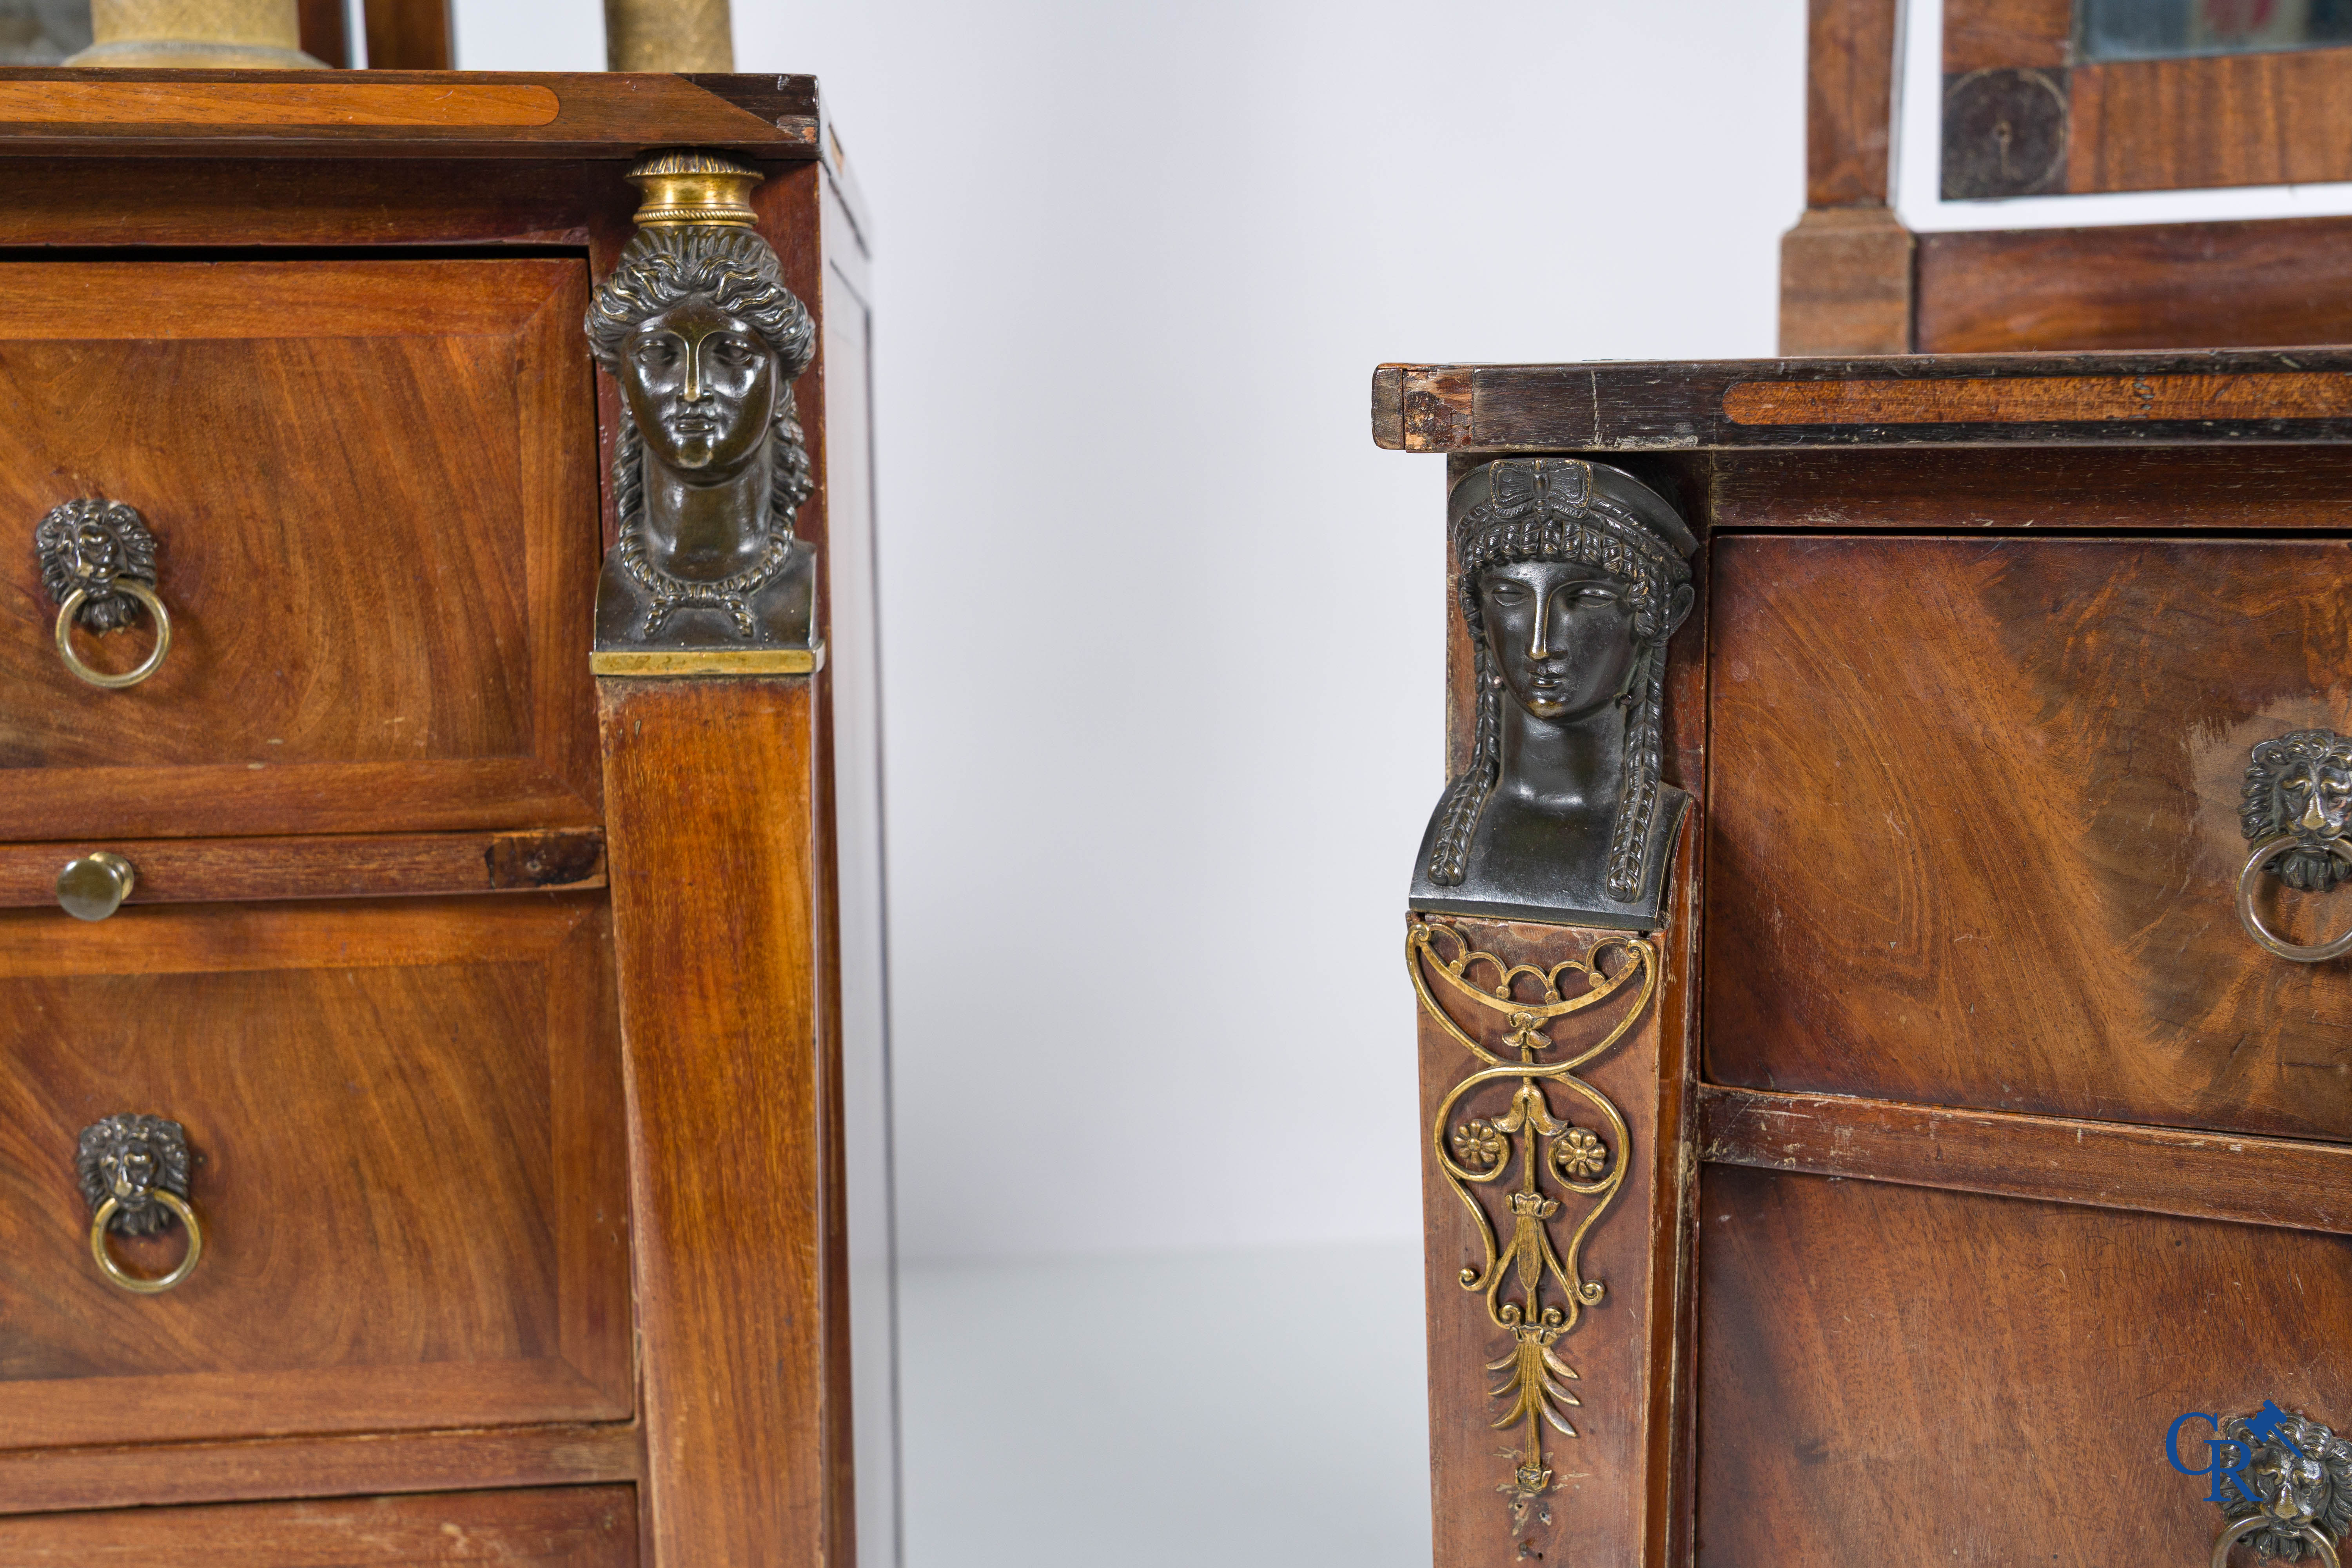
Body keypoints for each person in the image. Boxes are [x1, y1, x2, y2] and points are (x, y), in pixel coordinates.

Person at [1409, 457, 1698, 929]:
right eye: (1510, 596)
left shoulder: (1658, 832)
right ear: (1477, 611)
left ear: (1662, 614)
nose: (1540, 644)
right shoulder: (1451, 844)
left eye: (1587, 600)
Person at [583, 221, 818, 651]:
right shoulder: (619, 579)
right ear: (624, 389)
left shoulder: (800, 575)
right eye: (659, 353)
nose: (693, 388)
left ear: (780, 385)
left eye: (731, 352)